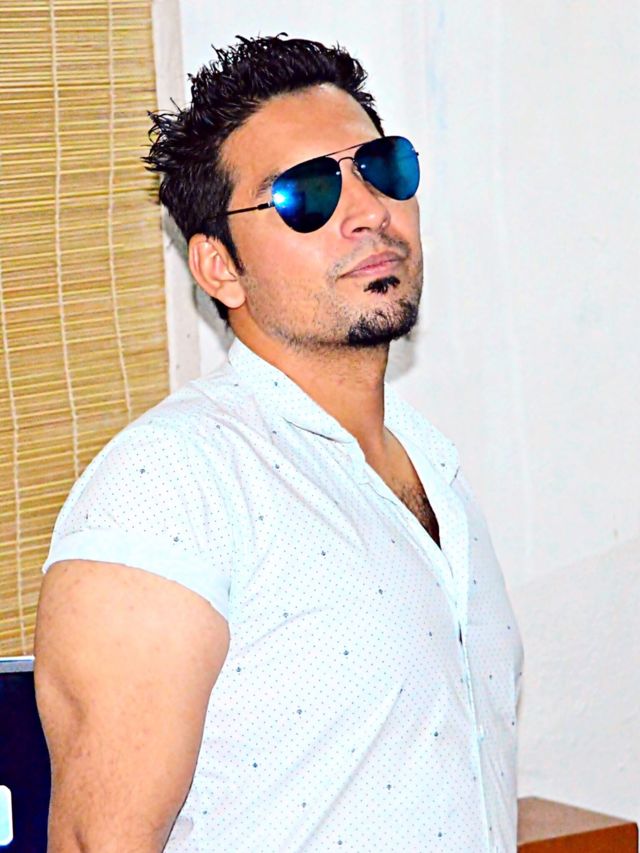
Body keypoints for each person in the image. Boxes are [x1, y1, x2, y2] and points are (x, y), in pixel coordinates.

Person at [35, 34, 523, 853]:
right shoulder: (171, 482)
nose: (368, 211)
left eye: (382, 169)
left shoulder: (432, 465)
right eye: (307, 193)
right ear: (219, 269)